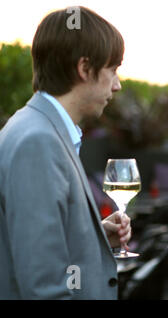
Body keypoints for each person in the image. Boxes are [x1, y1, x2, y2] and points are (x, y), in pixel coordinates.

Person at [0, 7, 131, 299]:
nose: (117, 84)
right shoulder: (38, 142)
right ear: (84, 69)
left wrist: (95, 236)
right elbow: (43, 287)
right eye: (113, 69)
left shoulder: (35, 128)